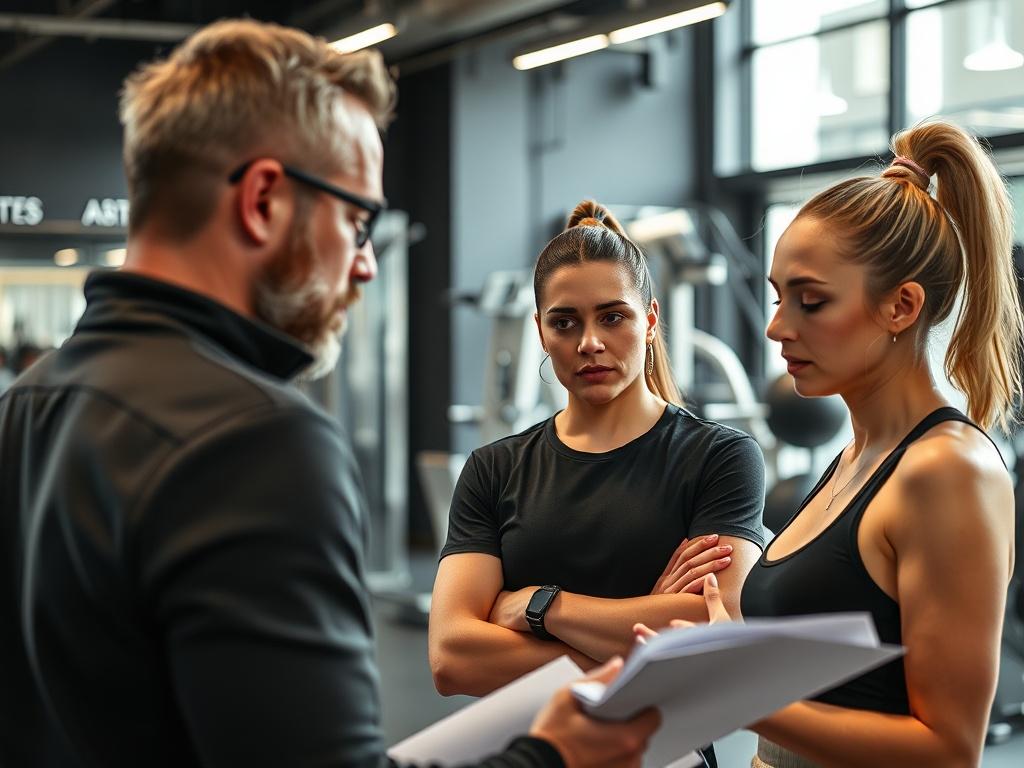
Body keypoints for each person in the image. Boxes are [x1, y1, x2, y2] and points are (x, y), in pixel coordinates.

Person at [0, 20, 661, 768]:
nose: (366, 265)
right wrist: (554, 756)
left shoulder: (28, 402)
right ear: (264, 201)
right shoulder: (253, 439)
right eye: (357, 220)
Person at [736, 120, 1019, 767]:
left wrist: (730, 695)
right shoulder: (856, 459)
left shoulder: (946, 471)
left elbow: (948, 750)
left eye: (811, 302)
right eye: (779, 298)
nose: (778, 327)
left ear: (902, 306)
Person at [429, 201, 766, 705]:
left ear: (650, 320)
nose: (590, 342)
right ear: (541, 329)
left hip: (665, 748)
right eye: (565, 323)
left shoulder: (721, 458)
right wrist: (644, 631)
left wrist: (542, 608)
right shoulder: (493, 469)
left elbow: (714, 627)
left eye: (613, 317)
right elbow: (452, 658)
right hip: (529, 751)